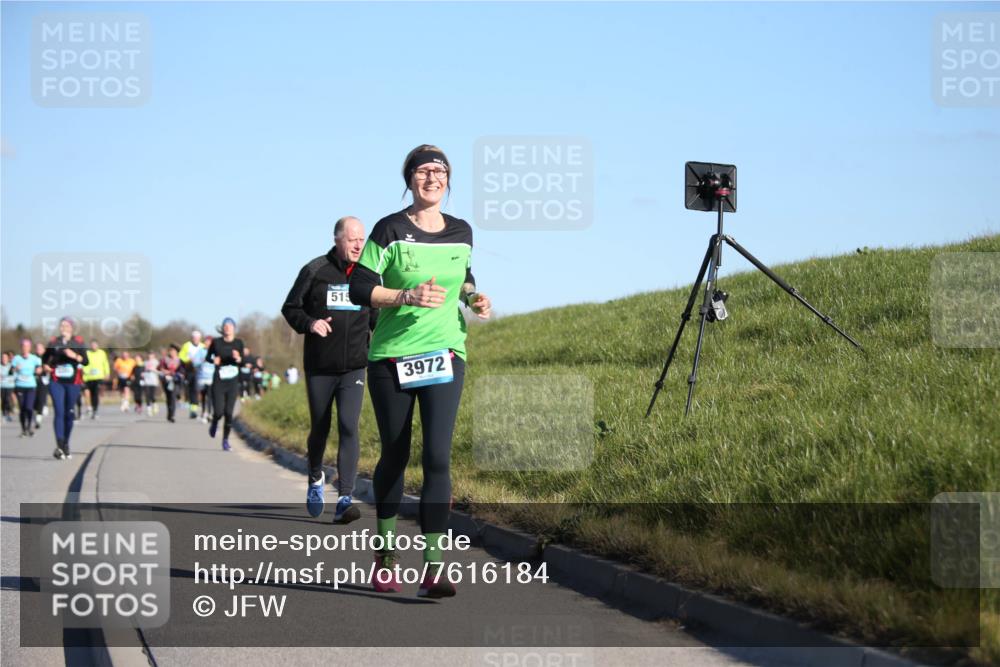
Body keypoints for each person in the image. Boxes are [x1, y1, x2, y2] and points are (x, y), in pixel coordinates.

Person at [349, 145, 492, 598]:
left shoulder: (462, 231)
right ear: (410, 178)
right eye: (424, 171)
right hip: (392, 356)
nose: (433, 178)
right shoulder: (389, 229)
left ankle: (433, 567)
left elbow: (464, 276)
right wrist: (405, 297)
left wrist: (473, 298)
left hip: (445, 352)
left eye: (440, 171)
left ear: (449, 180)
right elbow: (359, 287)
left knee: (437, 457)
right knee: (395, 454)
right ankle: (386, 555)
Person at [282, 215, 375, 524]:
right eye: (352, 239)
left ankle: (345, 498)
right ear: (337, 240)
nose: (359, 245)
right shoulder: (315, 270)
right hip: (320, 366)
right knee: (320, 427)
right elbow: (290, 308)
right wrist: (311, 323)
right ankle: (314, 476)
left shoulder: (369, 274)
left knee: (349, 425)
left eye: (361, 239)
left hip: (354, 367)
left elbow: (377, 318)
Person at [41, 317, 90, 460]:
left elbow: (86, 361)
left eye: (66, 325)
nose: (63, 328)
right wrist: (45, 366)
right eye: (62, 325)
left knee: (69, 413)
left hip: (73, 382)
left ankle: (66, 443)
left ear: (71, 328)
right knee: (59, 411)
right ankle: (59, 444)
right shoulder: (53, 342)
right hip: (56, 381)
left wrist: (74, 355)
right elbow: (44, 358)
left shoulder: (78, 342)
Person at [206, 318, 245, 451]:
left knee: (229, 412)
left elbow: (243, 362)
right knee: (218, 412)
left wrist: (238, 358)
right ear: (222, 328)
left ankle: (225, 441)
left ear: (234, 328)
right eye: (225, 326)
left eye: (230, 326)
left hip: (233, 380)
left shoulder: (239, 343)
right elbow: (208, 357)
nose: (227, 328)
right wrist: (213, 360)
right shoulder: (216, 342)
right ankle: (214, 422)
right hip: (219, 379)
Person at [11, 339, 43, 437]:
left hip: (31, 386)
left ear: (30, 348)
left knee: (29, 407)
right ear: (21, 347)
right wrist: (15, 369)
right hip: (20, 386)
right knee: (22, 408)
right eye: (23, 346)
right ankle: (23, 429)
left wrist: (39, 370)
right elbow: (10, 371)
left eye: (27, 346)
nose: (25, 348)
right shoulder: (16, 358)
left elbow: (39, 368)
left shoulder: (34, 359)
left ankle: (29, 427)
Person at [179, 330, 204, 419]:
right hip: (189, 369)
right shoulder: (186, 345)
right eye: (194, 338)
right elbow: (181, 356)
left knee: (196, 389)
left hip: (199, 370)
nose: (195, 339)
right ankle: (191, 408)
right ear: (192, 338)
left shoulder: (202, 346)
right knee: (189, 389)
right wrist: (188, 360)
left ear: (200, 338)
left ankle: (194, 409)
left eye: (197, 338)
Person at [82, 340, 110, 419]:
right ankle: (89, 407)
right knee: (87, 393)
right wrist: (85, 371)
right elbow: (84, 363)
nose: (93, 346)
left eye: (95, 345)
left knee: (95, 394)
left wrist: (107, 373)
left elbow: (105, 363)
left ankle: (95, 410)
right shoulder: (87, 353)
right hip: (88, 377)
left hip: (98, 377)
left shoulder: (102, 353)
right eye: (92, 345)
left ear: (98, 345)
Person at [159, 345, 183, 422]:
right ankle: (169, 413)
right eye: (171, 351)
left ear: (176, 352)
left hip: (176, 380)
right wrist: (165, 371)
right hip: (167, 380)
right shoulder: (164, 360)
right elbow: (160, 368)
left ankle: (172, 415)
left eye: (174, 351)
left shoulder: (179, 360)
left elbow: (182, 370)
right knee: (168, 397)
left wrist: (178, 374)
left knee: (173, 396)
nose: (172, 353)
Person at [195, 335, 215, 422]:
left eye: (209, 342)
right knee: (203, 395)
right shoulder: (200, 351)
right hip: (202, 377)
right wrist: (200, 361)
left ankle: (209, 413)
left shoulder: (215, 352)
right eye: (206, 342)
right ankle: (203, 412)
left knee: (210, 395)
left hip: (211, 377)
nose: (207, 343)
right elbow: (195, 363)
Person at [33, 341, 50, 428]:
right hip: (33, 381)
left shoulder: (48, 358)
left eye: (40, 348)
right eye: (37, 348)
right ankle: (36, 413)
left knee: (41, 399)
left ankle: (38, 419)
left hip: (44, 381)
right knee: (34, 400)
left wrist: (45, 369)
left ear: (44, 349)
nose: (38, 350)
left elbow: (51, 368)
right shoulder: (32, 358)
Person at [1, 352, 13, 423]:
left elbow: (14, 375)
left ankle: (8, 413)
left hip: (9, 386)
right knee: (3, 400)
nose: (4, 359)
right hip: (1, 386)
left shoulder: (11, 366)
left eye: (5, 357)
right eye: (2, 357)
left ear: (8, 358)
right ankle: (4, 413)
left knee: (7, 399)